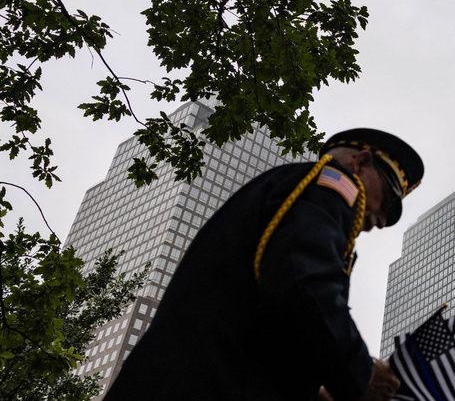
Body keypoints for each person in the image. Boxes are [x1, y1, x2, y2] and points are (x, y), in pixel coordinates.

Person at [104, 128, 424, 401]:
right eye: (390, 201)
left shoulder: (291, 192)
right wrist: (360, 371)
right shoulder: (333, 186)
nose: (383, 221)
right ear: (361, 162)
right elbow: (304, 283)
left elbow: (268, 317)